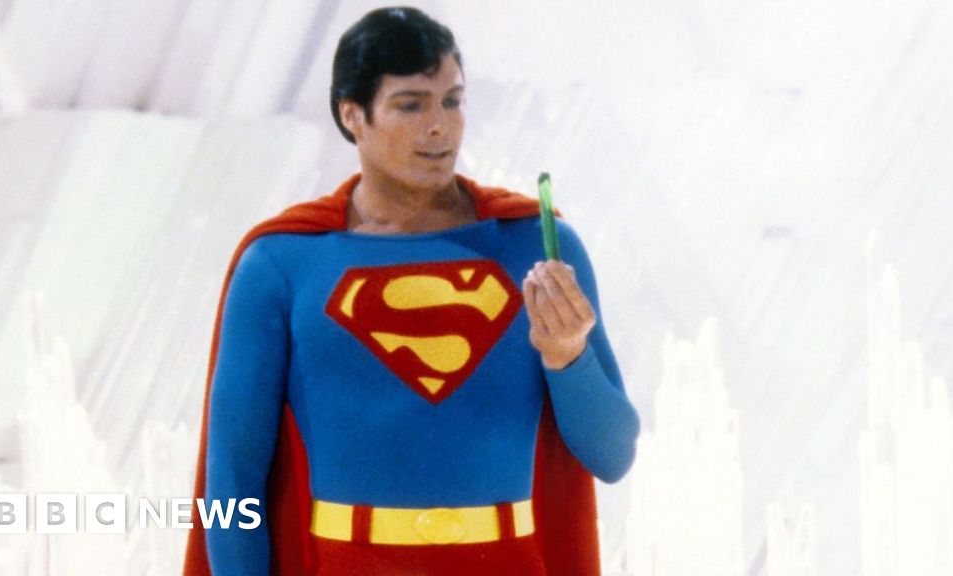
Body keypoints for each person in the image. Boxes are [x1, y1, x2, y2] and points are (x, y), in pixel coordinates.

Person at [183, 6, 639, 576]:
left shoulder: (539, 248)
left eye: (452, 100)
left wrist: (567, 355)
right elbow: (231, 484)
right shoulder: (282, 263)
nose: (439, 126)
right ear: (353, 114)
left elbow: (613, 454)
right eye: (410, 104)